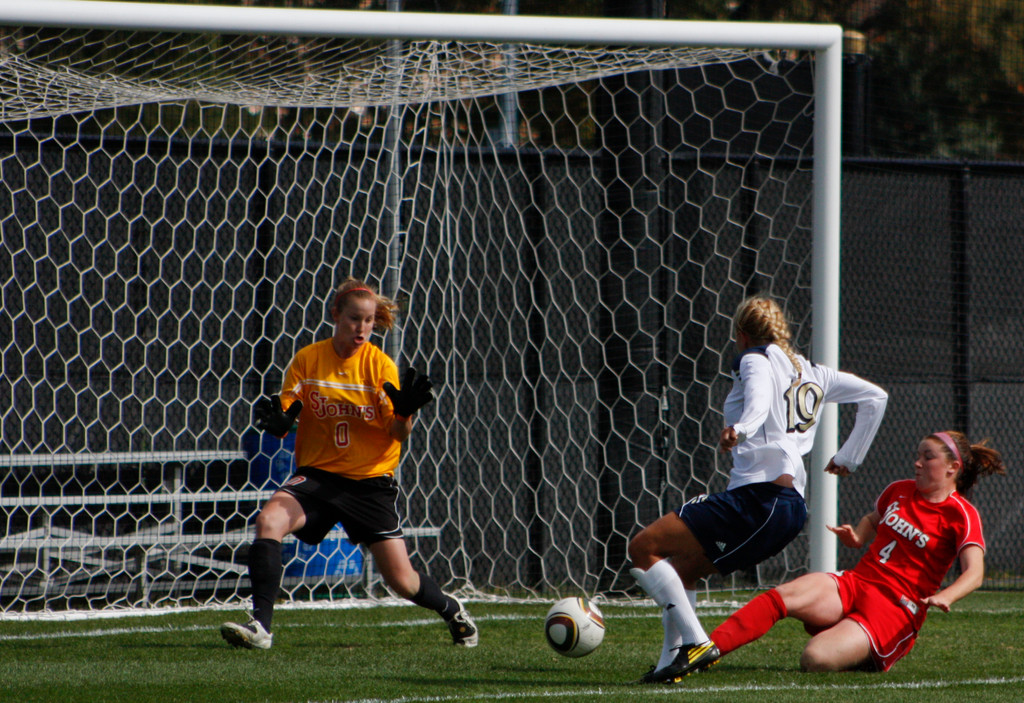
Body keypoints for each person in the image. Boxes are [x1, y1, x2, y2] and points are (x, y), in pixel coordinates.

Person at [628, 295, 888, 684]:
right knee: (682, 571)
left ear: (742, 334)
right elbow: (875, 397)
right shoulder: (815, 372)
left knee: (642, 548)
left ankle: (697, 643)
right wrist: (849, 457)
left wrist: (742, 429)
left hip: (759, 500)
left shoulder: (754, 359)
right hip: (788, 509)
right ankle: (673, 662)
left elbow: (760, 400)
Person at [221, 277, 478, 650]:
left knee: (402, 582)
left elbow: (398, 433)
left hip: (369, 481)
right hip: (317, 477)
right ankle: (261, 627)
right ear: (335, 315)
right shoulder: (309, 359)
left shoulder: (379, 365)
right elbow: (289, 413)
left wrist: (405, 413)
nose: (362, 329)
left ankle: (451, 607)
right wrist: (281, 422)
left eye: (370, 321)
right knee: (269, 520)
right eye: (355, 319)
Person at [709, 430, 1006, 672]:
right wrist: (858, 536)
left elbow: (975, 572)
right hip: (858, 582)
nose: (917, 463)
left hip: (896, 608)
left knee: (815, 659)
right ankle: (706, 648)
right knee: (781, 596)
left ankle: (874, 647)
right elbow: (872, 520)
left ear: (953, 468)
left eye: (928, 458)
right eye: (917, 456)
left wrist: (946, 595)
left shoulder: (962, 514)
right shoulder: (899, 490)